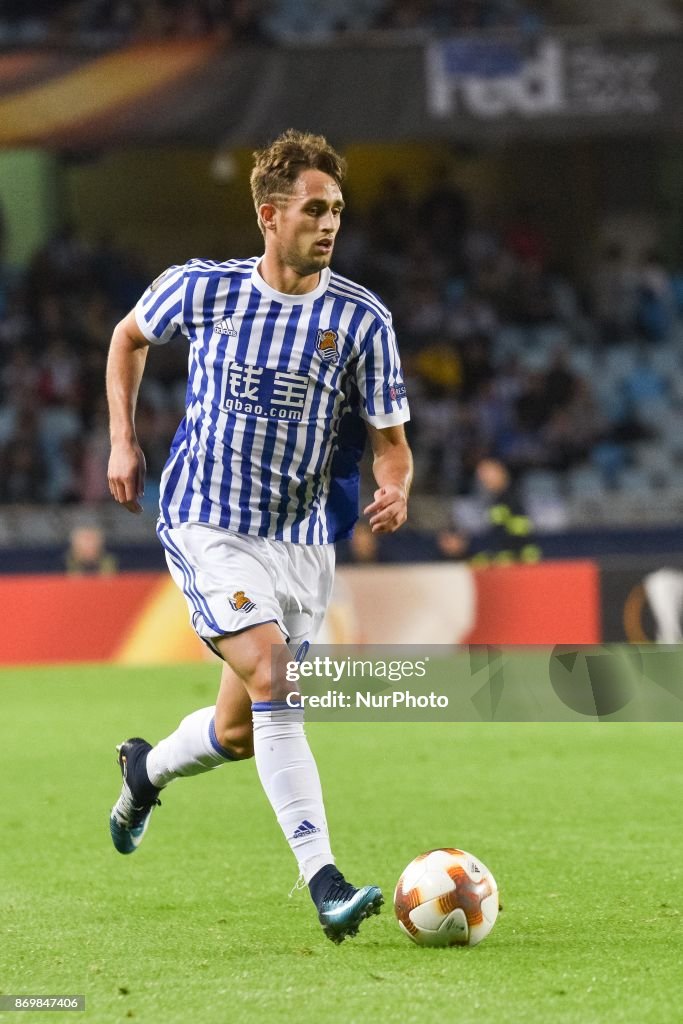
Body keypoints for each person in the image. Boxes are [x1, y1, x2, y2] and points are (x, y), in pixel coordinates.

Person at [106, 129, 412, 943]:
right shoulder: (202, 290)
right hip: (207, 521)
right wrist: (123, 439)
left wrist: (394, 487)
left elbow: (391, 440)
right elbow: (127, 337)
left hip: (303, 546)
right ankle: (326, 884)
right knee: (277, 680)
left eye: (337, 209)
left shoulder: (361, 320)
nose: (330, 222)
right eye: (314, 208)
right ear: (269, 215)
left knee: (240, 732)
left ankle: (145, 770)